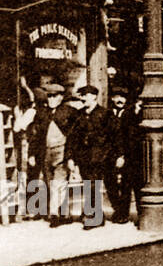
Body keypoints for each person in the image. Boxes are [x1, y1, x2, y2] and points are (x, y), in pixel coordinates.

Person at [27, 85, 79, 225]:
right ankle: (65, 214)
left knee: (59, 183)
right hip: (46, 152)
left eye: (54, 96)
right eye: (49, 96)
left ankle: (54, 215)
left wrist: (72, 156)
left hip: (62, 151)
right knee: (50, 183)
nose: (51, 99)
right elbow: (35, 135)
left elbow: (75, 136)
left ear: (61, 97)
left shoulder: (69, 112)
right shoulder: (42, 113)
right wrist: (32, 154)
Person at [68, 86, 115, 229]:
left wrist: (114, 155)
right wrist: (70, 157)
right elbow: (72, 138)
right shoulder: (79, 115)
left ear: (94, 96)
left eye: (85, 95)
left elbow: (114, 136)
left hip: (100, 157)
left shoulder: (105, 114)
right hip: (84, 157)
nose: (83, 98)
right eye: (82, 96)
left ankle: (95, 217)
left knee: (93, 185)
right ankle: (92, 213)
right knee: (88, 185)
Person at [105, 88, 139, 224]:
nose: (120, 100)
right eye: (117, 97)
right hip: (110, 155)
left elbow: (132, 137)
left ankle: (125, 213)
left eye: (123, 97)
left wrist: (123, 155)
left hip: (129, 156)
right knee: (110, 184)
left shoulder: (132, 114)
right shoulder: (107, 114)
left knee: (128, 185)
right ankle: (118, 210)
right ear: (112, 98)